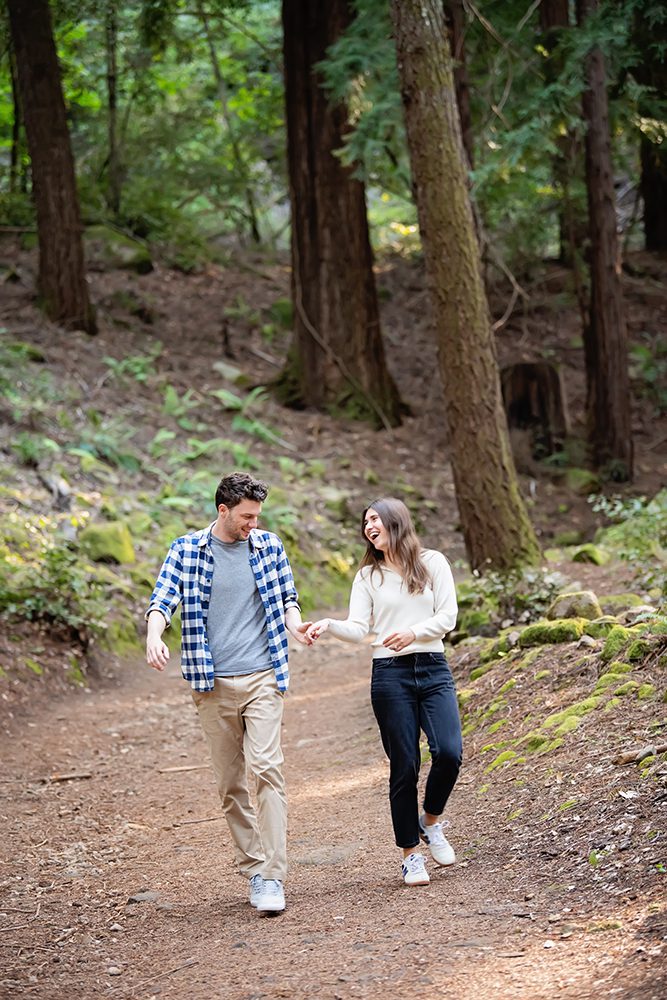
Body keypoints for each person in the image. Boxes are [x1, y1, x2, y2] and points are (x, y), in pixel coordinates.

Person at [145, 471, 311, 914]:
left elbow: (288, 598)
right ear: (223, 510)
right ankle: (253, 869)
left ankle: (273, 876)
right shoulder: (186, 550)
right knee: (231, 785)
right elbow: (162, 602)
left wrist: (296, 627)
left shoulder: (269, 546)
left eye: (257, 516)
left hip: (263, 676)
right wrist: (153, 635)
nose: (252, 524)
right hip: (211, 684)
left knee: (268, 769)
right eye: (245, 516)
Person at [306, 497, 461, 887]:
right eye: (366, 522)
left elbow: (448, 617)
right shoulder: (367, 577)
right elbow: (359, 627)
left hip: (432, 667)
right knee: (404, 764)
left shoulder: (433, 562)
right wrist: (329, 624)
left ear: (396, 521)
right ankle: (410, 854)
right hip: (389, 675)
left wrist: (414, 632)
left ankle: (431, 821)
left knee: (449, 752)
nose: (369, 526)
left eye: (375, 519)